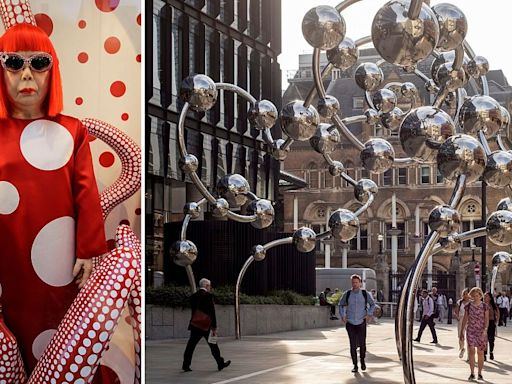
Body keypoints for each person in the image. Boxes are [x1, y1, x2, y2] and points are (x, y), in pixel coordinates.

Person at [0, 23, 107, 374]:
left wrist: (88, 250)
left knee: (56, 340)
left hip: (57, 264)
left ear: (53, 70)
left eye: (39, 63)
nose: (26, 74)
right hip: (6, 254)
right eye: (14, 63)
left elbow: (85, 193)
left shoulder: (72, 130)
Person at [182, 278, 231, 372]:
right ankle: (220, 364)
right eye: (209, 286)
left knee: (190, 346)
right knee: (213, 345)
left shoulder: (193, 296)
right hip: (206, 325)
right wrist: (214, 326)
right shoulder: (209, 296)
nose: (210, 287)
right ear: (206, 286)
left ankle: (186, 365)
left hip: (195, 324)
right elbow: (212, 312)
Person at [339, 274, 375, 373]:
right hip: (350, 323)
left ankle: (362, 360)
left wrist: (369, 314)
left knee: (362, 344)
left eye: (356, 282)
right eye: (353, 282)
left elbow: (372, 304)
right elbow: (341, 305)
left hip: (361, 322)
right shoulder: (347, 294)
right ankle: (355, 365)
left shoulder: (365, 293)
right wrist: (343, 315)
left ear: (360, 283)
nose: (354, 284)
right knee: (352, 345)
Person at [460, 287, 489, 381]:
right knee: (471, 350)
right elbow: (465, 319)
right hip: (471, 330)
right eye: (474, 296)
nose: (476, 297)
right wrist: (461, 332)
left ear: (481, 296)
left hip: (481, 331)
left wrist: (485, 330)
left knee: (480, 353)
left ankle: (480, 373)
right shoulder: (468, 306)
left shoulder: (485, 306)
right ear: (471, 296)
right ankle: (472, 373)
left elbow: (486, 319)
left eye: (478, 295)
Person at [454, 288, 470, 359]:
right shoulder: (459, 302)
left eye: (466, 294)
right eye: (464, 294)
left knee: (469, 337)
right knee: (461, 335)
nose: (465, 295)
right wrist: (457, 317)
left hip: (469, 320)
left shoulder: (471, 302)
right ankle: (462, 348)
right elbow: (456, 311)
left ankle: (470, 354)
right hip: (461, 319)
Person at [484, 292, 499, 361]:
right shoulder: (482, 305)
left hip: (491, 322)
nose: (485, 298)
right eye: (484, 296)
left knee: (491, 339)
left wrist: (496, 321)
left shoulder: (493, 305)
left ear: (490, 298)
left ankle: (491, 352)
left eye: (486, 296)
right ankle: (484, 353)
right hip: (483, 323)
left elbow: (497, 312)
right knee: (484, 339)